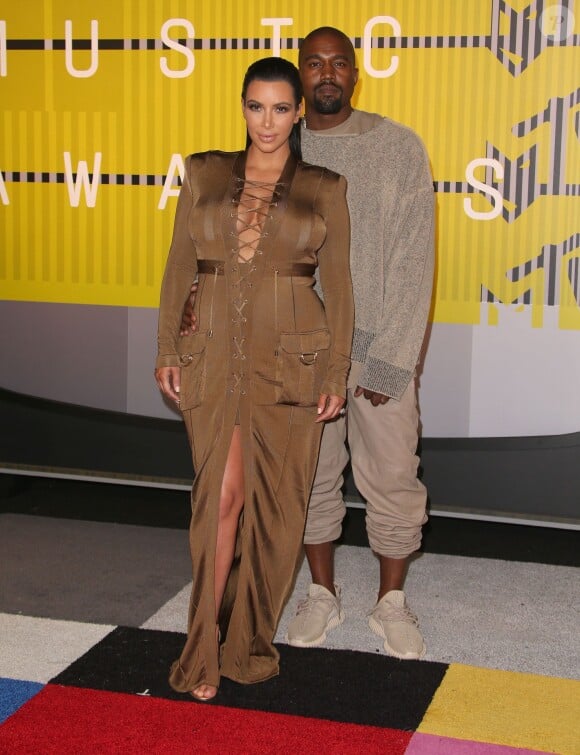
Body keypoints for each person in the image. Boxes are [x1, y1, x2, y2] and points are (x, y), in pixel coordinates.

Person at [181, 28, 435, 661]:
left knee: (393, 478)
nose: (327, 73)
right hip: (289, 356)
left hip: (377, 350)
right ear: (297, 80)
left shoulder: (397, 147)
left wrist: (392, 359)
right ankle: (321, 591)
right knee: (307, 482)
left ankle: (391, 601)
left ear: (355, 73)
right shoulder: (275, 150)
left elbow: (414, 259)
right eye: (314, 64)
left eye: (338, 63)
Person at [154, 56, 353, 701]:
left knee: (277, 508)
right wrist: (167, 348)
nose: (265, 122)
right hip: (210, 356)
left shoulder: (324, 185)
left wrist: (335, 367)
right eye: (254, 106)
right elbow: (178, 267)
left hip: (290, 361)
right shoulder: (204, 172)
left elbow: (342, 291)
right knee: (220, 499)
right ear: (242, 108)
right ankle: (203, 646)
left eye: (278, 109)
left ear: (298, 114)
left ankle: (247, 642)